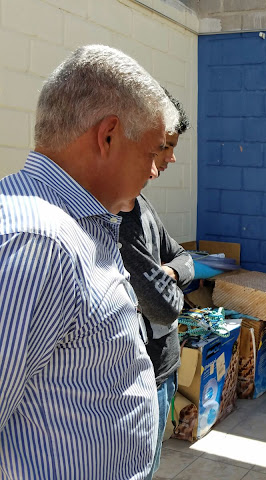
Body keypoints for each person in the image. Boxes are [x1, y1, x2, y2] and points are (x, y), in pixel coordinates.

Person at [0, 45, 179, 479]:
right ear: (108, 136)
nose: (155, 170)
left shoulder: (80, 226)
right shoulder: (38, 242)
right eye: (153, 151)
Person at [118, 90, 194, 480]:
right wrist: (167, 285)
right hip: (139, 378)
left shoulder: (142, 205)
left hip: (166, 367)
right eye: (165, 147)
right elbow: (166, 308)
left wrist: (169, 274)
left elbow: (184, 257)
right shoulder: (117, 218)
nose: (170, 158)